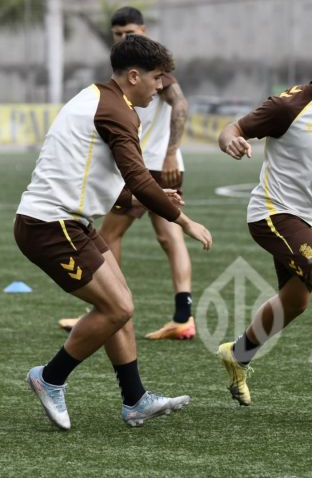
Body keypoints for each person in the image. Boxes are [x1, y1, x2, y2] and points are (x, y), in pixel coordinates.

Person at [14, 34, 212, 430]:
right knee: (117, 308)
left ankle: (135, 400)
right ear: (134, 76)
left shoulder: (99, 98)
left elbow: (94, 173)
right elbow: (138, 178)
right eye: (157, 78)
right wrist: (184, 220)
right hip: (50, 226)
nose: (161, 86)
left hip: (71, 222)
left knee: (121, 305)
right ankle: (49, 378)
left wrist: (147, 195)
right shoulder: (117, 110)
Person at [216, 26, 312, 412]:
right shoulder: (288, 106)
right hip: (273, 213)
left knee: (296, 301)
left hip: (311, 219)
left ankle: (238, 354)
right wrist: (231, 141)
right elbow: (232, 129)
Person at [58, 6, 195, 340]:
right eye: (118, 34)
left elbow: (180, 104)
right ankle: (183, 316)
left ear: (143, 31)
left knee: (108, 235)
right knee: (170, 235)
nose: (123, 38)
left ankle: (107, 307)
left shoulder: (150, 67)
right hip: (155, 164)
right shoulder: (132, 67)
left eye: (130, 33)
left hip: (148, 166)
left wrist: (171, 152)